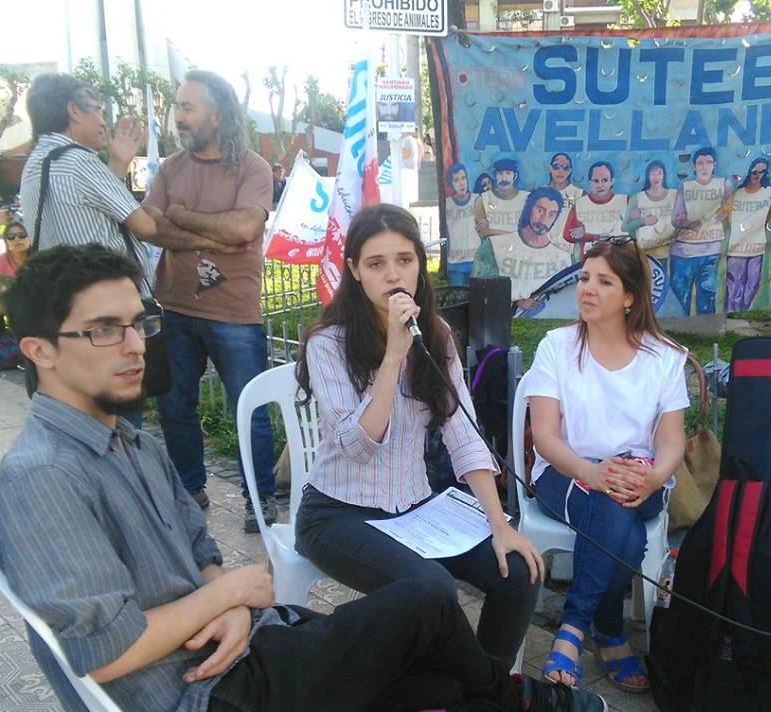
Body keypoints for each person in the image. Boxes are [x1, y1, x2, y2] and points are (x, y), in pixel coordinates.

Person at [0, 242, 606, 712]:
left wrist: (231, 605)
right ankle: (524, 700)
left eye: (138, 323)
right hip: (206, 691)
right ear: (39, 350)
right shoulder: (43, 480)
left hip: (249, 645)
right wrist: (230, 596)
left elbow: (199, 550)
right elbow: (105, 650)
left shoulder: (132, 443)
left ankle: (506, 697)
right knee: (426, 605)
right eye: (103, 330)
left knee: (444, 672)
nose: (134, 345)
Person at [295, 204, 545, 669]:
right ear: (354, 270)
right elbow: (357, 445)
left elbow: (463, 434)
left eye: (405, 260)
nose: (393, 275)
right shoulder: (327, 343)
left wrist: (500, 524)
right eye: (376, 263)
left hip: (414, 506)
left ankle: (479, 694)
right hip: (337, 514)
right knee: (433, 589)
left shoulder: (437, 335)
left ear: (419, 266)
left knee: (519, 571)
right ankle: (486, 691)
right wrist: (393, 356)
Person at [524, 235, 688, 694]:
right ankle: (603, 630)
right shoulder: (556, 347)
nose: (587, 289)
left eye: (604, 281)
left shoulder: (665, 357)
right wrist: (590, 472)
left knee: (618, 504)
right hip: (565, 472)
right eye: (584, 278)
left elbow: (671, 440)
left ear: (630, 297)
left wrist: (656, 476)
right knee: (622, 527)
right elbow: (544, 437)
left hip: (640, 478)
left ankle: (574, 630)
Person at [142, 69, 277, 532]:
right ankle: (190, 490)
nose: (178, 117)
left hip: (234, 314)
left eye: (187, 107)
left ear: (217, 116)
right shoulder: (170, 168)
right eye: (177, 107)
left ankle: (259, 500)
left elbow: (245, 228)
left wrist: (180, 216)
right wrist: (213, 236)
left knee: (249, 409)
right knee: (174, 406)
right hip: (176, 308)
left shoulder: (253, 168)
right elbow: (150, 225)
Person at [19, 73, 157, 289]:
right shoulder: (79, 160)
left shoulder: (36, 162)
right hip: (108, 294)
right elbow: (146, 227)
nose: (102, 122)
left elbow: (90, 211)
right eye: (97, 110)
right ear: (74, 111)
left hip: (67, 294)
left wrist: (118, 163)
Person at [472, 187, 572, 311]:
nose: (544, 219)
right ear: (529, 209)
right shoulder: (493, 247)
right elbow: (478, 290)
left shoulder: (563, 257)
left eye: (551, 214)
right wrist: (516, 300)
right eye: (540, 210)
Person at [670, 147, 733, 315]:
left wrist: (724, 212)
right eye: (700, 163)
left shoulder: (724, 184)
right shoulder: (686, 187)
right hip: (684, 252)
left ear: (714, 165)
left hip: (710, 251)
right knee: (679, 299)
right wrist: (687, 223)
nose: (704, 166)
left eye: (708, 162)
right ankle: (676, 328)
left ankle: (704, 327)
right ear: (694, 166)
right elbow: (675, 219)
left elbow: (731, 206)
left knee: (707, 297)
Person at [725, 158, 771, 312]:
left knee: (753, 285)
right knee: (734, 285)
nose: (757, 175)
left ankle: (742, 310)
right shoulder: (737, 193)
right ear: (749, 171)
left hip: (757, 248)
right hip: (736, 249)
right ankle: (732, 312)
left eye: (762, 172)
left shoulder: (769, 192)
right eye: (755, 171)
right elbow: (724, 214)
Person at [562, 162, 633, 264]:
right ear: (589, 182)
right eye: (596, 181)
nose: (600, 185)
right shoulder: (580, 204)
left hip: (620, 260)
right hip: (591, 261)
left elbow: (639, 229)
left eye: (605, 180)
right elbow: (567, 235)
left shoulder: (625, 201)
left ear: (612, 181)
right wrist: (593, 237)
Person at [629, 160, 677, 272]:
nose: (656, 177)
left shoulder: (673, 195)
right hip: (644, 252)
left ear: (664, 175)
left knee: (663, 278)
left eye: (660, 173)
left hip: (665, 251)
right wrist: (640, 220)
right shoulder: (639, 198)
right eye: (653, 173)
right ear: (648, 176)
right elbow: (628, 226)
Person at [0, 221, 31, 333]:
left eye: (22, 235)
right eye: (11, 236)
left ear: (29, 238)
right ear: (6, 242)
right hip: (13, 301)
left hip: (34, 303)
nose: (17, 239)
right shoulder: (3, 260)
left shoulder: (39, 257)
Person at [444, 163, 481, 286]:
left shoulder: (477, 200)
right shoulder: (447, 205)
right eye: (456, 180)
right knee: (458, 296)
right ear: (451, 184)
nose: (461, 183)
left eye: (463, 178)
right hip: (455, 264)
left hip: (476, 262)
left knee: (477, 296)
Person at [475, 158, 529, 238]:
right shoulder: (482, 200)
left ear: (515, 176)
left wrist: (491, 229)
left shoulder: (527, 198)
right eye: (500, 173)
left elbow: (530, 233)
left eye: (508, 173)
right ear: (495, 176)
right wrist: (513, 235)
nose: (504, 178)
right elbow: (482, 232)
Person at [546, 153, 584, 255]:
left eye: (565, 167)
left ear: (570, 171)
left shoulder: (580, 195)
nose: (560, 171)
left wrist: (583, 229)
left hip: (569, 251)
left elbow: (589, 223)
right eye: (556, 166)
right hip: (543, 250)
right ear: (550, 169)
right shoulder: (538, 193)